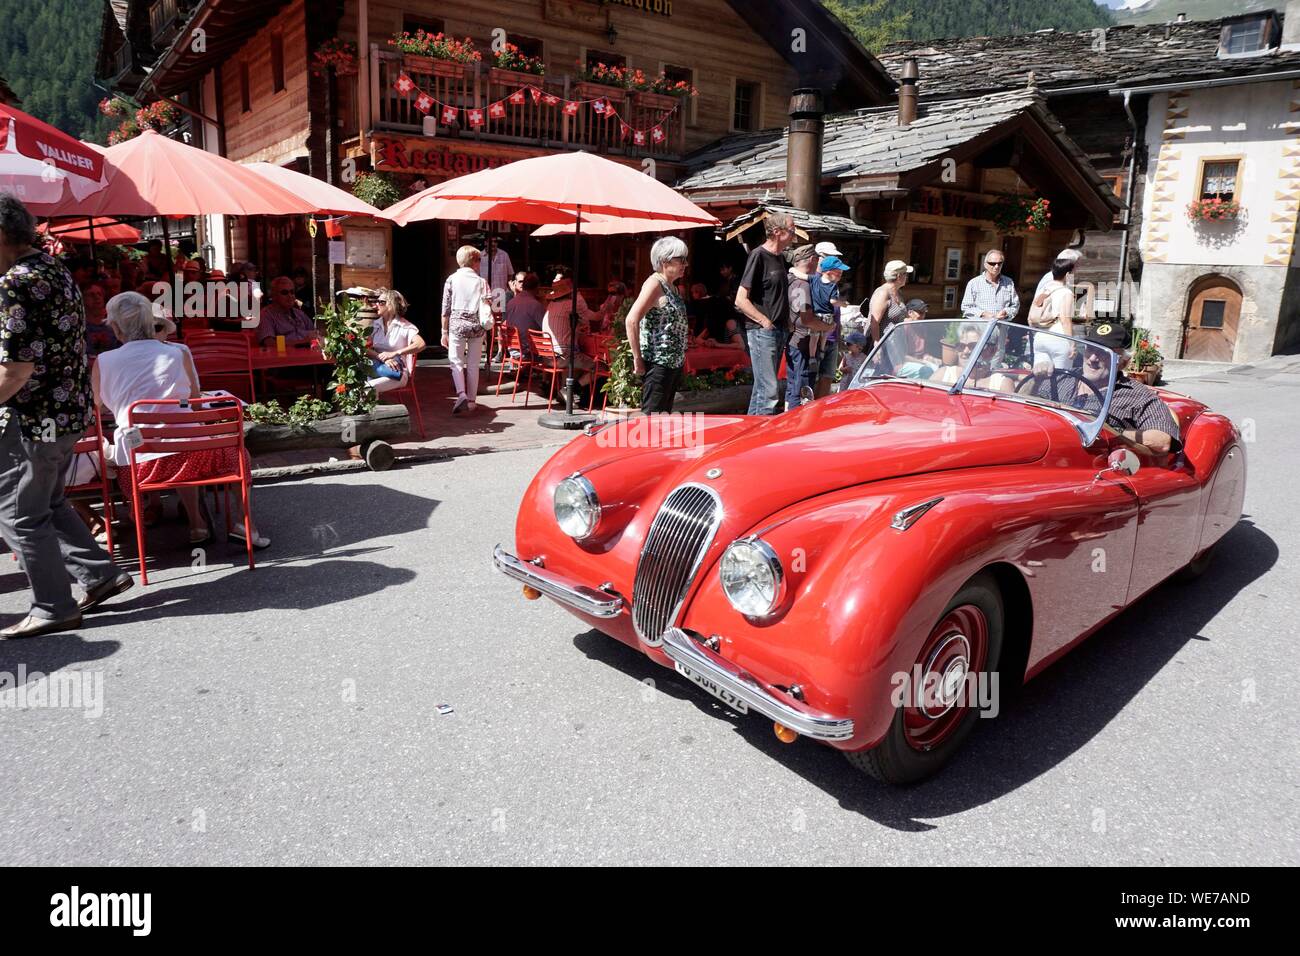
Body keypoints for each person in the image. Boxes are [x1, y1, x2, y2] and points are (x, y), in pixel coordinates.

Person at [0, 193, 132, 637]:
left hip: (33, 419)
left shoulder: (16, 282)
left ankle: (53, 605)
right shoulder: (53, 270)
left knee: (20, 515)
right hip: (67, 412)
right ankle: (100, 574)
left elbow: (16, 370)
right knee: (48, 502)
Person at [94, 292, 268, 549]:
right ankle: (245, 525)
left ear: (117, 328)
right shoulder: (177, 353)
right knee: (232, 452)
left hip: (139, 468)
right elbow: (195, 401)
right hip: (192, 457)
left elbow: (95, 408)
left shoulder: (103, 361)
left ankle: (196, 524)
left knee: (168, 446)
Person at [1030, 322, 1179, 456]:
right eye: (1090, 349)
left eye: (1103, 353)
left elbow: (1163, 440)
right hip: (1042, 452)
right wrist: (1036, 380)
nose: (1092, 358)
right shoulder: (1062, 378)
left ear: (1123, 363)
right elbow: (1021, 410)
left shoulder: (1138, 395)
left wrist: (1109, 431)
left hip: (1093, 466)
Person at [735, 211, 795, 415]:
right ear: (777, 232)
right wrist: (764, 321)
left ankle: (750, 435)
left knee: (762, 389)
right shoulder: (758, 255)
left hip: (778, 330)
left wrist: (786, 322)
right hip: (763, 331)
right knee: (769, 391)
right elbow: (740, 299)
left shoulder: (780, 258)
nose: (795, 235)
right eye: (792, 230)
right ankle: (762, 436)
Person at [626, 235, 690, 415]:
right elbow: (631, 320)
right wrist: (637, 358)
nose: (685, 264)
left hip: (672, 364)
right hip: (658, 364)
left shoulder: (672, 287)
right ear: (664, 260)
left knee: (663, 418)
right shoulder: (654, 283)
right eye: (681, 260)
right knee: (652, 418)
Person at [442, 245, 491, 414]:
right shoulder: (482, 282)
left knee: (456, 361)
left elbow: (446, 308)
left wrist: (443, 331)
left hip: (457, 325)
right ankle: (471, 400)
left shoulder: (451, 279)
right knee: (473, 365)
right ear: (474, 262)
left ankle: (461, 393)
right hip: (476, 326)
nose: (480, 263)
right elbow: (488, 304)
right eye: (479, 259)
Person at [784, 245, 833, 410]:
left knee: (792, 386)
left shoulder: (789, 279)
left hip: (792, 340)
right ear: (812, 260)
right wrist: (827, 326)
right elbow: (806, 319)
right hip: (803, 342)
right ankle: (796, 425)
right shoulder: (802, 285)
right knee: (802, 389)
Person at [542, 276, 597, 406]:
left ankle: (565, 393)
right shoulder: (570, 305)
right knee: (599, 366)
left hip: (547, 356)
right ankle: (571, 388)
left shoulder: (550, 306)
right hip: (562, 356)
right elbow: (586, 321)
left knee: (573, 357)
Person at [364, 288, 425, 395]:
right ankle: (373, 410)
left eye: (380, 302)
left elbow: (421, 344)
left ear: (391, 305)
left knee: (368, 388)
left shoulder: (404, 326)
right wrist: (381, 357)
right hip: (378, 367)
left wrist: (395, 353)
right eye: (376, 302)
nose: (376, 305)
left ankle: (374, 411)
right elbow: (363, 348)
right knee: (360, 385)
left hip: (397, 372)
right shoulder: (375, 325)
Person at [1027, 257, 1077, 372]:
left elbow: (1031, 318)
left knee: (1040, 377)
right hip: (1059, 338)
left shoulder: (1043, 291)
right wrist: (1072, 344)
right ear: (1068, 274)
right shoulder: (1066, 292)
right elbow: (1065, 320)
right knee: (1061, 378)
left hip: (1040, 337)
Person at [811, 253, 851, 398]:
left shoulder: (833, 286)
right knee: (813, 373)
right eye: (838, 271)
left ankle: (820, 405)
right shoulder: (816, 281)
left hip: (832, 336)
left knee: (828, 375)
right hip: (819, 331)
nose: (841, 274)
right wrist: (843, 303)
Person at [935, 323, 1015, 393]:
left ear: (992, 351)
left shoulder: (1001, 384)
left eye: (974, 346)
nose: (965, 351)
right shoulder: (944, 374)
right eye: (961, 346)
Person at [962, 248, 1020, 323]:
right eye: (992, 263)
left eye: (999, 263)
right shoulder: (974, 283)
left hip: (1001, 329)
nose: (996, 266)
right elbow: (966, 307)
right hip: (980, 330)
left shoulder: (1009, 282)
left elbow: (1015, 305)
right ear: (985, 264)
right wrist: (985, 314)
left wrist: (1006, 312)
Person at [255, 275, 317, 345]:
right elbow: (269, 343)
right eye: (284, 292)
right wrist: (301, 342)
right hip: (283, 355)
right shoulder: (266, 315)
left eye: (292, 292)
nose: (290, 296)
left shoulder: (299, 313)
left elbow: (315, 333)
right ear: (274, 296)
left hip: (309, 354)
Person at [868, 260, 912, 345]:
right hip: (884, 344)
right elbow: (874, 322)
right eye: (905, 274)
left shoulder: (898, 293)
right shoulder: (882, 293)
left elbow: (902, 317)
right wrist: (877, 344)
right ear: (899, 276)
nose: (907, 277)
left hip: (896, 343)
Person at [504, 272, 544, 358]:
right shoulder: (535, 305)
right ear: (537, 288)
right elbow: (545, 327)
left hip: (512, 347)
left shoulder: (511, 302)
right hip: (528, 351)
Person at [82, 283, 119, 356]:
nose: (96, 297)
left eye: (99, 294)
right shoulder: (80, 327)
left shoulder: (114, 325)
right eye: (91, 294)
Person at [477, 237, 514, 307]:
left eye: (495, 241)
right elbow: (476, 276)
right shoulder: (480, 256)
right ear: (485, 243)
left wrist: (507, 289)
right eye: (491, 241)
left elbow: (510, 274)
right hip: (485, 295)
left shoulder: (504, 255)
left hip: (501, 294)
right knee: (487, 316)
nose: (493, 243)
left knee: (501, 316)